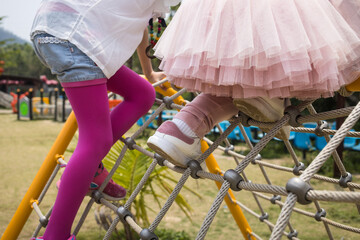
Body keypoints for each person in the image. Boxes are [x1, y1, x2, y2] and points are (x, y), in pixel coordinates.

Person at [30, 0, 180, 239]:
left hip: (68, 33)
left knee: (142, 94)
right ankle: (55, 235)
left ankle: (91, 171)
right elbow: (155, 29)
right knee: (95, 141)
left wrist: (149, 74)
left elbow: (144, 27)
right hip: (75, 38)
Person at [147, 0, 360, 168]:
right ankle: (269, 97)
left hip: (218, 11)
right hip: (275, 12)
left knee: (236, 68)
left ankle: (183, 126)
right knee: (288, 45)